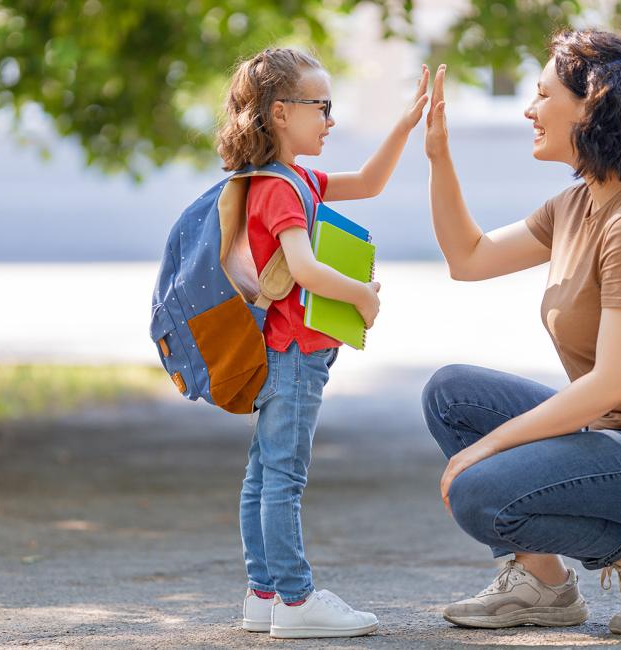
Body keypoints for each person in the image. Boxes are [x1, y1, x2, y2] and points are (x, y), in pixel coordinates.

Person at [420, 30, 621, 636]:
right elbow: (469, 257)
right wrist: (438, 155)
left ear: (591, 105)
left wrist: (486, 448)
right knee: (451, 393)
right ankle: (544, 585)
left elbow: (611, 383)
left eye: (541, 94)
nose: (528, 110)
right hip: (617, 435)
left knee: (480, 493)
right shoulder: (575, 205)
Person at [218, 47, 428, 638]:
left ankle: (264, 594)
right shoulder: (282, 189)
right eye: (323, 107)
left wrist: (406, 123)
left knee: (263, 473)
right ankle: (295, 599)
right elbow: (304, 268)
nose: (330, 120)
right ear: (281, 113)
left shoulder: (287, 179)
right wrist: (362, 296)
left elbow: (368, 182)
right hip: (293, 354)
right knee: (283, 477)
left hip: (277, 352)